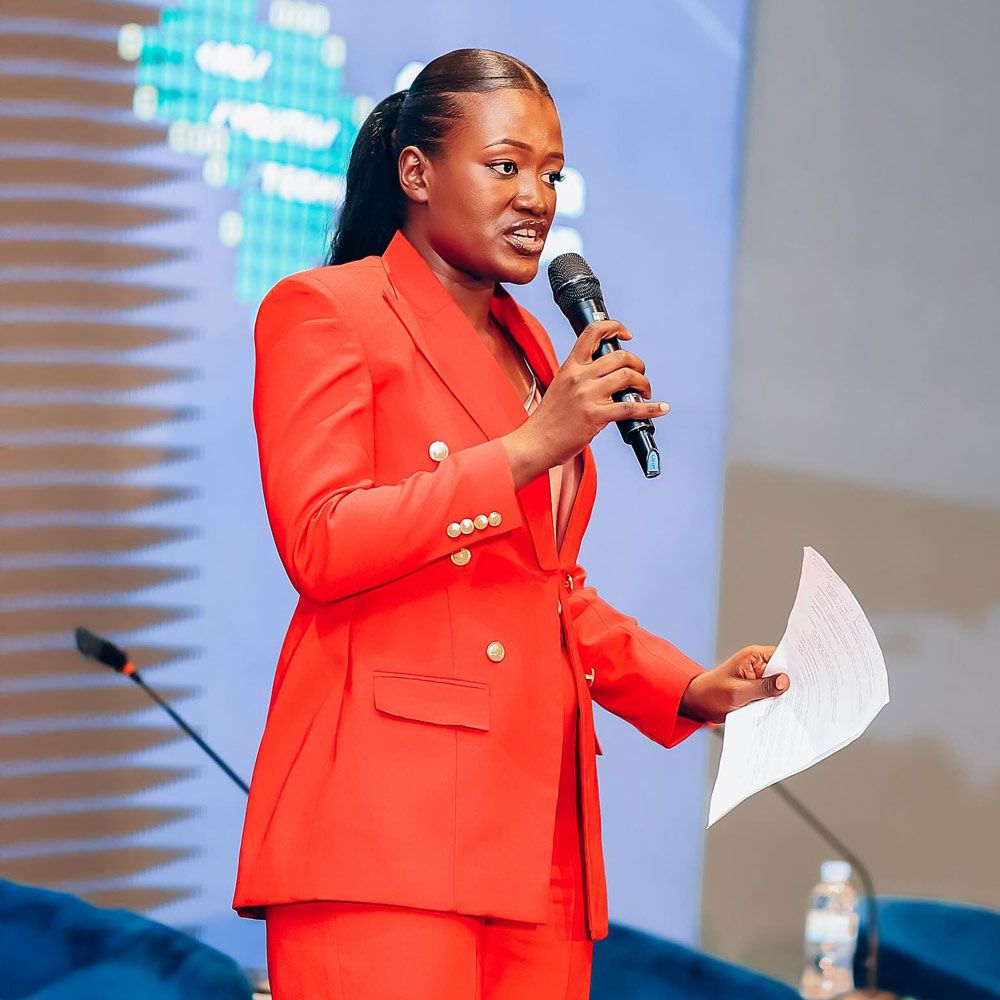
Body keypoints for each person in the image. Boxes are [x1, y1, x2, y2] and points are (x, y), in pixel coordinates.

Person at [233, 47, 789, 1000]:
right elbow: (321, 541)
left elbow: (540, 589)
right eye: (505, 166)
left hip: (537, 836)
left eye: (553, 175)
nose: (536, 197)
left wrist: (686, 687)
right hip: (387, 830)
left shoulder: (532, 346)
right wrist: (528, 447)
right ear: (416, 173)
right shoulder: (327, 311)